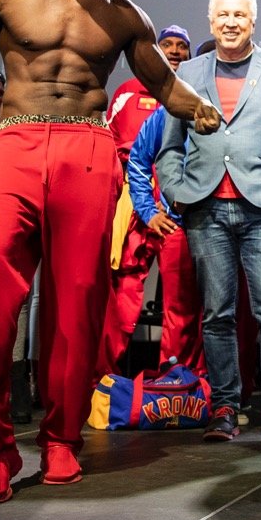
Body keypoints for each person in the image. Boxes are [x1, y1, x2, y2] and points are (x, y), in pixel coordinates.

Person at [0, 0, 220, 502]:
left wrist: (202, 111)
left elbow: (163, 85)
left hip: (88, 150)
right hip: (16, 143)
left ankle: (61, 439)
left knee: (80, 301)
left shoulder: (124, 14)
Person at [155, 0, 261, 448]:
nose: (230, 23)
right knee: (217, 315)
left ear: (252, 22)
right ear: (210, 21)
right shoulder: (188, 72)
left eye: (239, 16)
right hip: (206, 210)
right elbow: (168, 148)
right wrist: (178, 192)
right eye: (223, 15)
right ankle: (224, 407)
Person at [98, 24, 196, 375]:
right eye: (166, 44)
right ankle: (103, 376)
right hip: (133, 200)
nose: (173, 51)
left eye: (181, 46)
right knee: (122, 292)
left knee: (181, 299)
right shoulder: (127, 91)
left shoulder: (192, 96)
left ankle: (176, 379)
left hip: (178, 206)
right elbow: (110, 146)